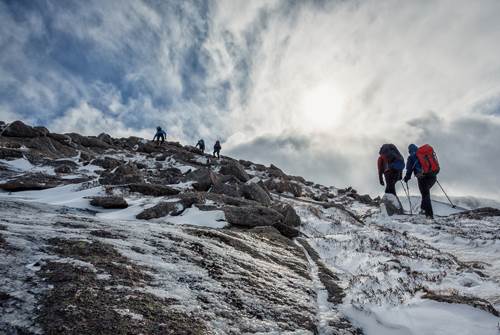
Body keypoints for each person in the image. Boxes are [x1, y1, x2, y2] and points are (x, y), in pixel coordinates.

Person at [404, 144, 437, 219]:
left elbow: (409, 170)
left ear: (409, 150)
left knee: (425, 194)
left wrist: (406, 178)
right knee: (425, 194)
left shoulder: (411, 157)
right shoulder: (425, 154)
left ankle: (429, 214)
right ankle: (423, 210)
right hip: (433, 176)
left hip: (422, 178)